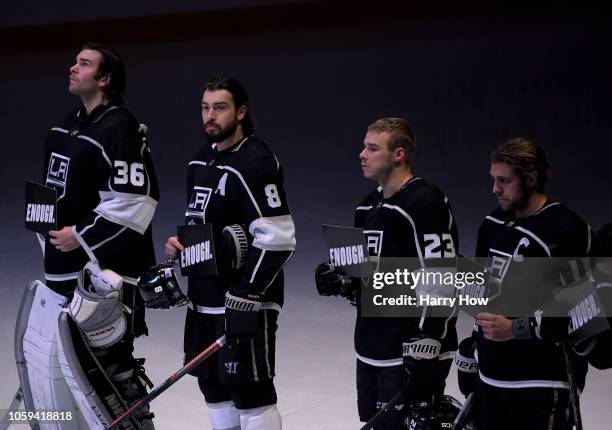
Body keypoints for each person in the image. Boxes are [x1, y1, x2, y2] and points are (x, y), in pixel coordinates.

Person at [165, 77, 295, 430]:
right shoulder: (199, 161)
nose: (210, 116)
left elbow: (279, 237)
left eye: (219, 108)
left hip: (243, 302)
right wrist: (181, 247)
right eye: (205, 108)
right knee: (213, 387)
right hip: (204, 299)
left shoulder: (256, 162)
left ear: (241, 112)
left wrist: (248, 293)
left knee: (250, 393)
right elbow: (205, 223)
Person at [40, 42, 159, 427]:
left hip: (107, 277)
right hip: (66, 270)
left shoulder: (119, 128)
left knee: (113, 374)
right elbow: (54, 195)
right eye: (74, 61)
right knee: (72, 370)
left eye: (85, 64)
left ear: (105, 79)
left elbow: (135, 202)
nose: (72, 68)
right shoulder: (65, 129)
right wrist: (49, 235)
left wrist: (79, 236)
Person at [315, 118, 458, 429]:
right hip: (371, 346)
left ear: (398, 154)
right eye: (364, 147)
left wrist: (427, 339)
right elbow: (372, 278)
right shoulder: (367, 207)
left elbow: (443, 274)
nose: (361, 154)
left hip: (411, 349)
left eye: (372, 148)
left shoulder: (425, 203)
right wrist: (342, 280)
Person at [471, 138, 591, 429]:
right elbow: (482, 292)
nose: (495, 189)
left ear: (532, 178)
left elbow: (584, 311)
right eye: (493, 179)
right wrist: (472, 349)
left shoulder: (567, 230)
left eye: (504, 181)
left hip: (541, 384)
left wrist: (515, 329)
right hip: (491, 378)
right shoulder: (492, 224)